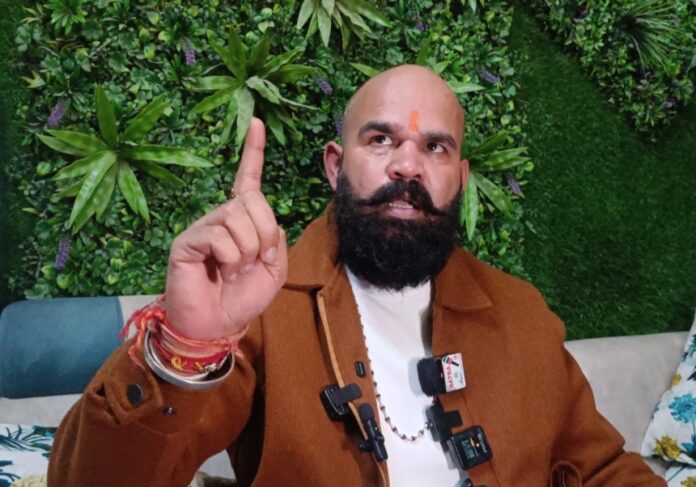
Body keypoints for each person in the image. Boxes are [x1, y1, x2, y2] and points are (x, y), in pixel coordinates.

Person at [47, 65, 665, 487]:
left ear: (460, 179)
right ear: (336, 166)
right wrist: (184, 348)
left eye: (435, 148)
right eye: (381, 140)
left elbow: (602, 469)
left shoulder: (521, 313)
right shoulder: (260, 311)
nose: (407, 167)